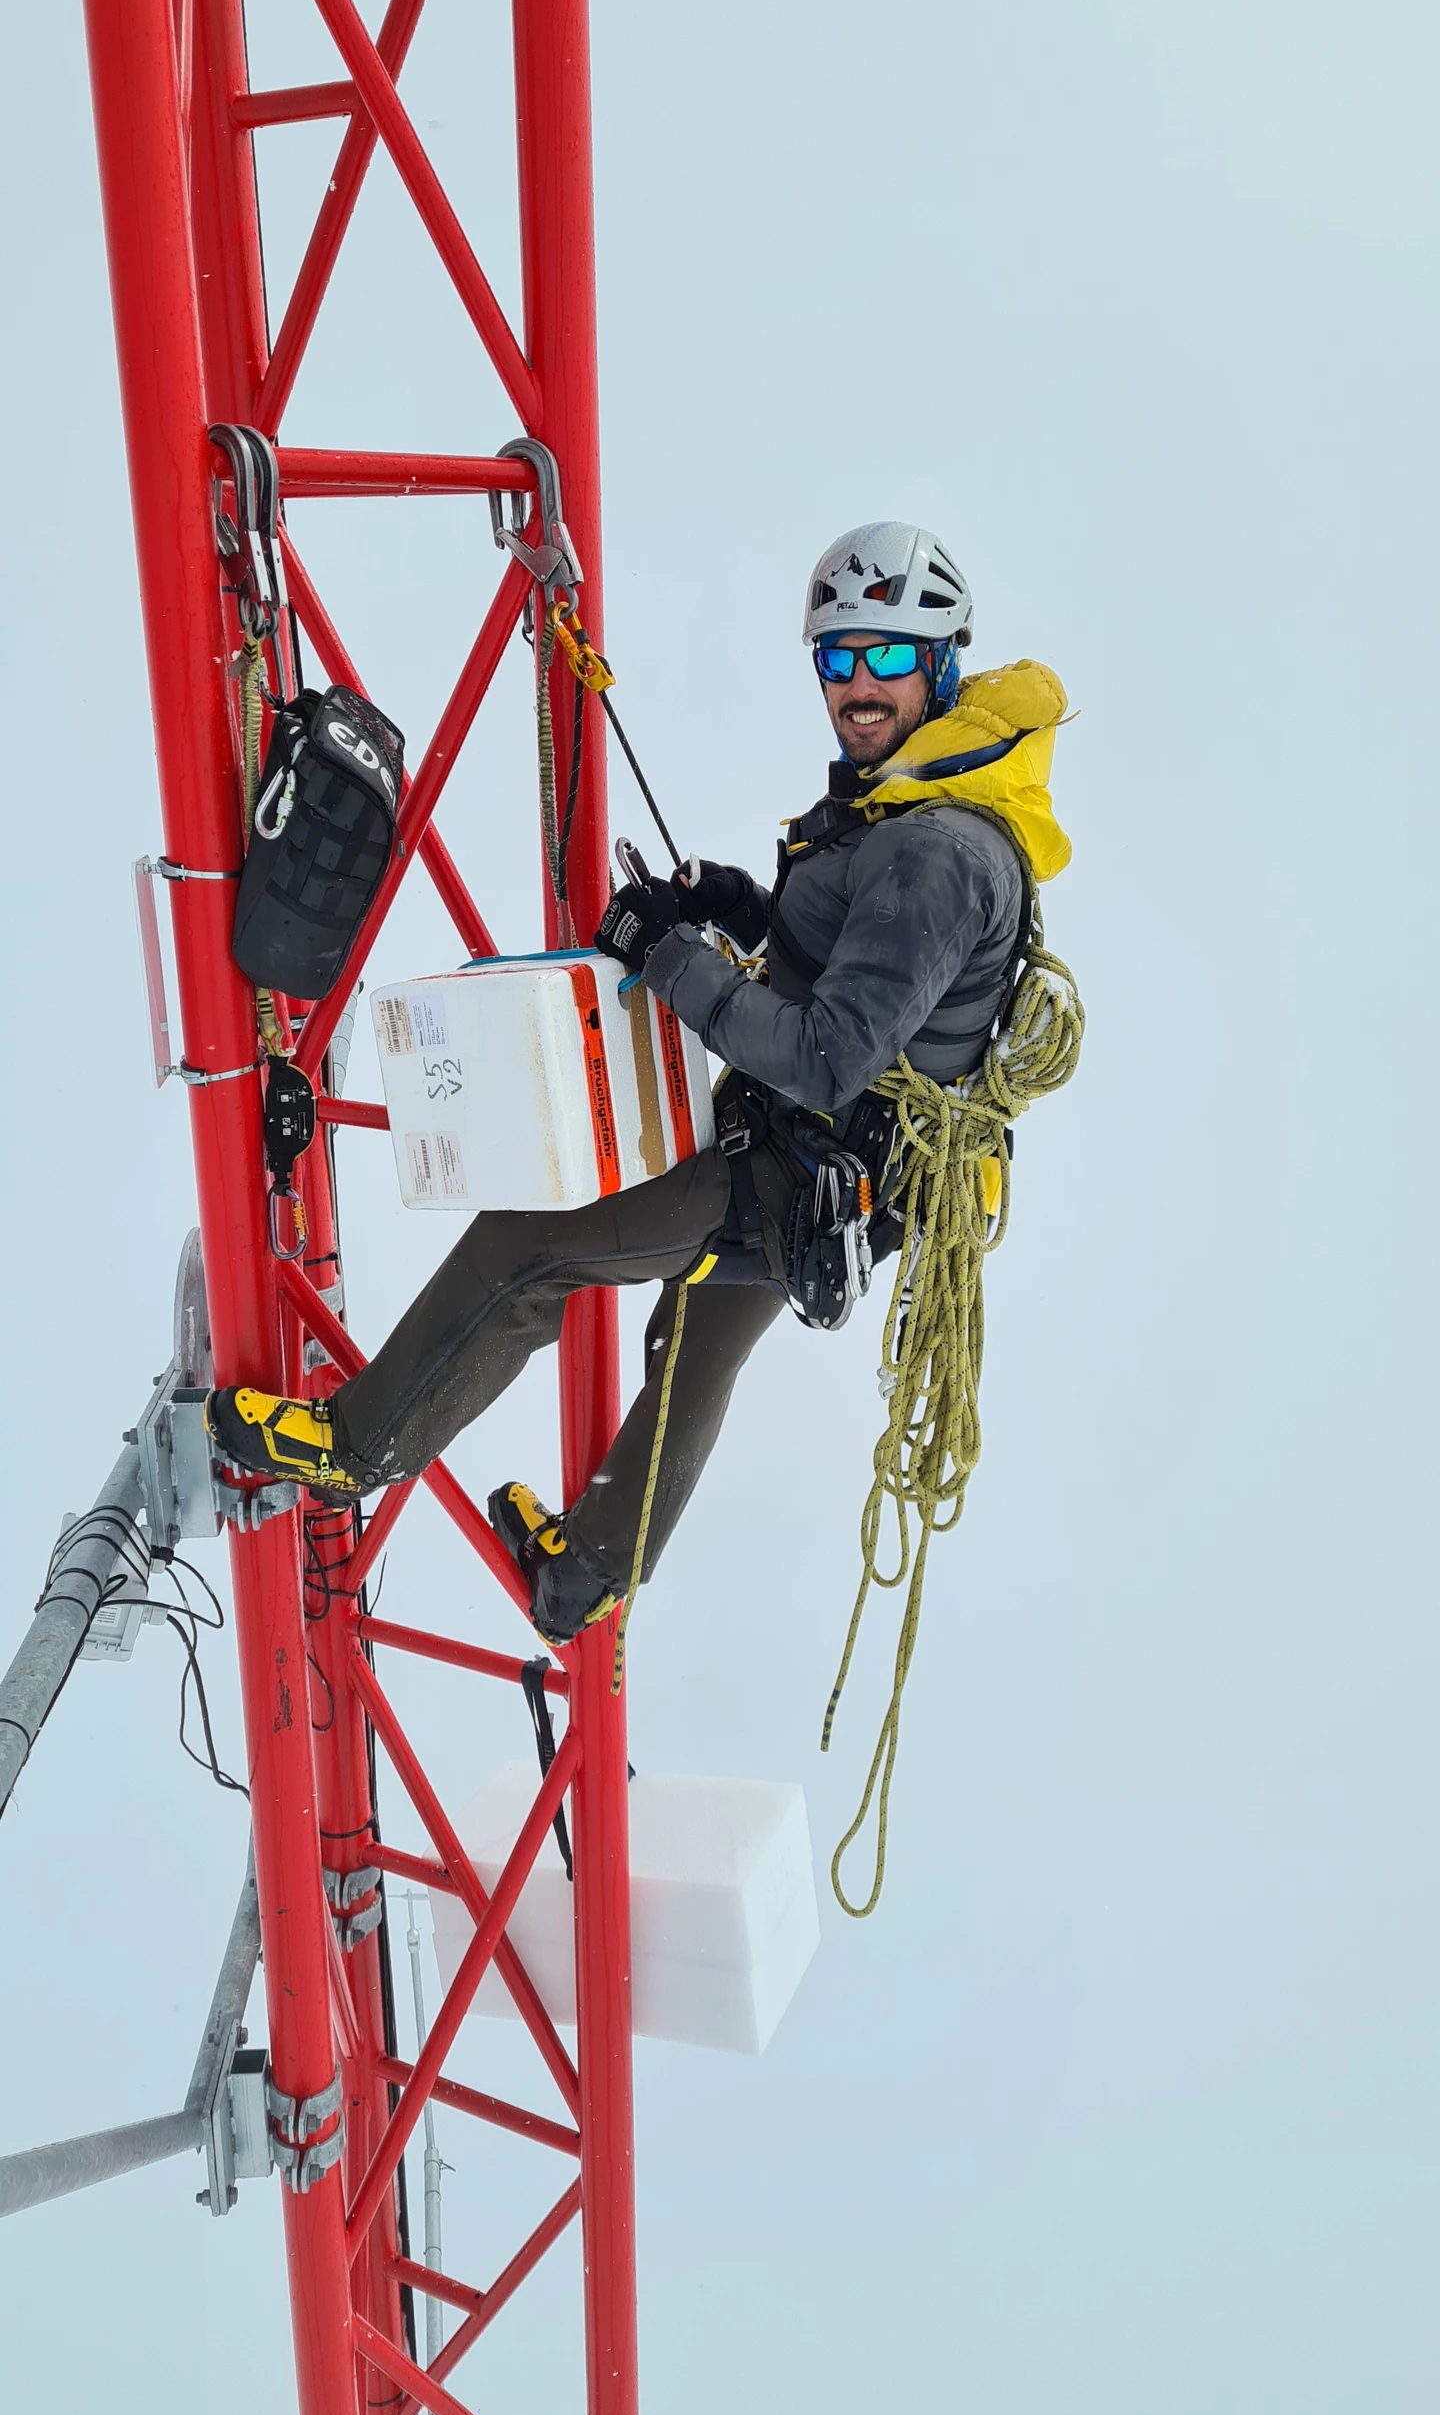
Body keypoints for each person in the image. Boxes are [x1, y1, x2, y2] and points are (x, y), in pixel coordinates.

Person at [208, 520, 1072, 1644]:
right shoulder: (928, 802)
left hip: (798, 1165)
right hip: (846, 1181)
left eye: (888, 658)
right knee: (698, 1334)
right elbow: (858, 974)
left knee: (532, 1243)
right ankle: (588, 1577)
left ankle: (352, 1445)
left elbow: (824, 1051)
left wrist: (673, 958)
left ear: (944, 664)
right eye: (837, 659)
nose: (857, 687)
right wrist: (725, 902)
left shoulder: (936, 848)